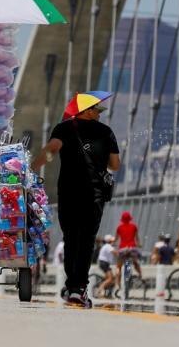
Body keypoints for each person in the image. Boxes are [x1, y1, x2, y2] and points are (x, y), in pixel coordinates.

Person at [32, 96, 120, 308]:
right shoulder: (106, 132)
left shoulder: (64, 128)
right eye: (97, 110)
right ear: (86, 110)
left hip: (69, 193)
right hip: (94, 195)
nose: (99, 114)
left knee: (71, 238)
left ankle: (72, 286)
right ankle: (79, 289)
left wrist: (31, 168)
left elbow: (51, 150)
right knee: (87, 240)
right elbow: (115, 165)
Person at [114, 211, 141, 291]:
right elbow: (137, 239)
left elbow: (116, 239)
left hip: (122, 249)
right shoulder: (134, 226)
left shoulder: (119, 227)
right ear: (130, 219)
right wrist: (139, 245)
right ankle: (140, 275)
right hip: (132, 248)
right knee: (135, 262)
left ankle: (118, 285)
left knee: (118, 266)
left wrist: (112, 242)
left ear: (122, 219)